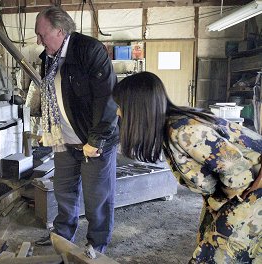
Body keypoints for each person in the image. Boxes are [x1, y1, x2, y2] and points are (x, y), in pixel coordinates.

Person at [112, 71, 261, 263]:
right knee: (207, 241)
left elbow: (238, 174)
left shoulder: (184, 131)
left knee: (217, 254)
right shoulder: (167, 128)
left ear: (138, 108)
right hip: (231, 192)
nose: (118, 112)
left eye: (120, 106)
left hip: (251, 190)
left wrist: (226, 212)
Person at [34, 6, 119, 253]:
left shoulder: (89, 50)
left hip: (93, 141)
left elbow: (107, 99)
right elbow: (52, 97)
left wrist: (97, 140)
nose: (39, 40)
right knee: (64, 193)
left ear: (60, 31)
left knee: (97, 198)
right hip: (64, 140)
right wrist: (48, 130)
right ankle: (62, 237)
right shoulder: (48, 57)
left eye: (42, 35)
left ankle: (96, 244)